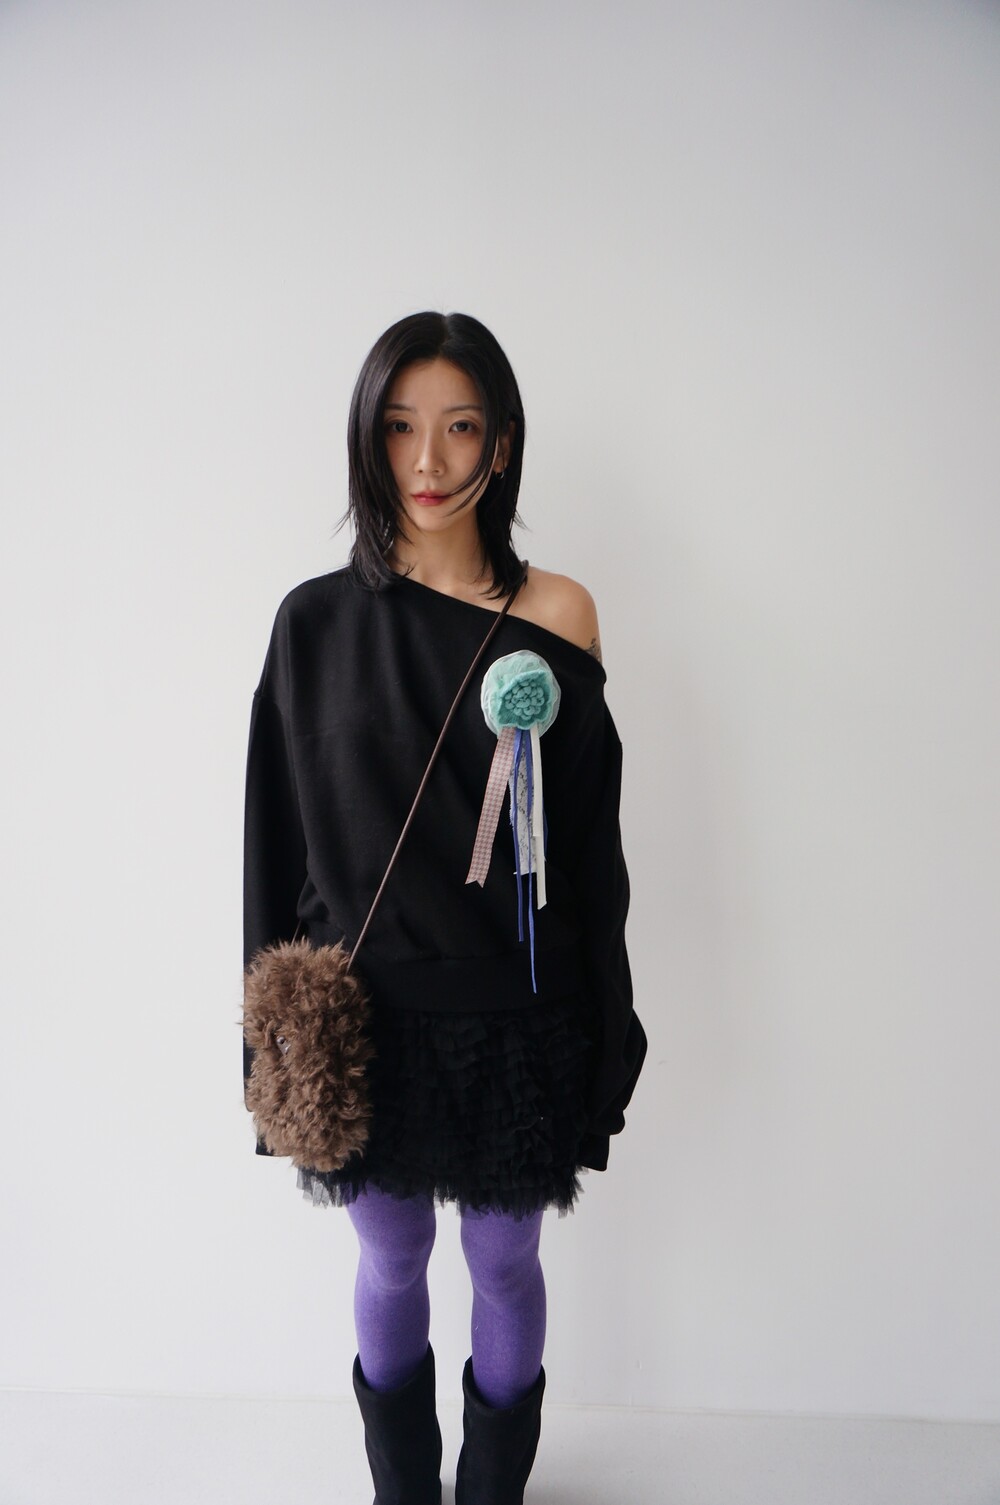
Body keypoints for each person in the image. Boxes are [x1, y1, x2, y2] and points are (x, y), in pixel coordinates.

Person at [242, 310, 646, 1505]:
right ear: (366, 439)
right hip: (361, 1019)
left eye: (459, 428)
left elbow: (591, 846)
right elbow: (272, 843)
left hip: (518, 1010)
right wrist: (265, 1044)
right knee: (391, 1254)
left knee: (504, 1257)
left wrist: (610, 1022)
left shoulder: (559, 612)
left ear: (502, 444)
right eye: (399, 427)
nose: (426, 461)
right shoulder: (313, 621)